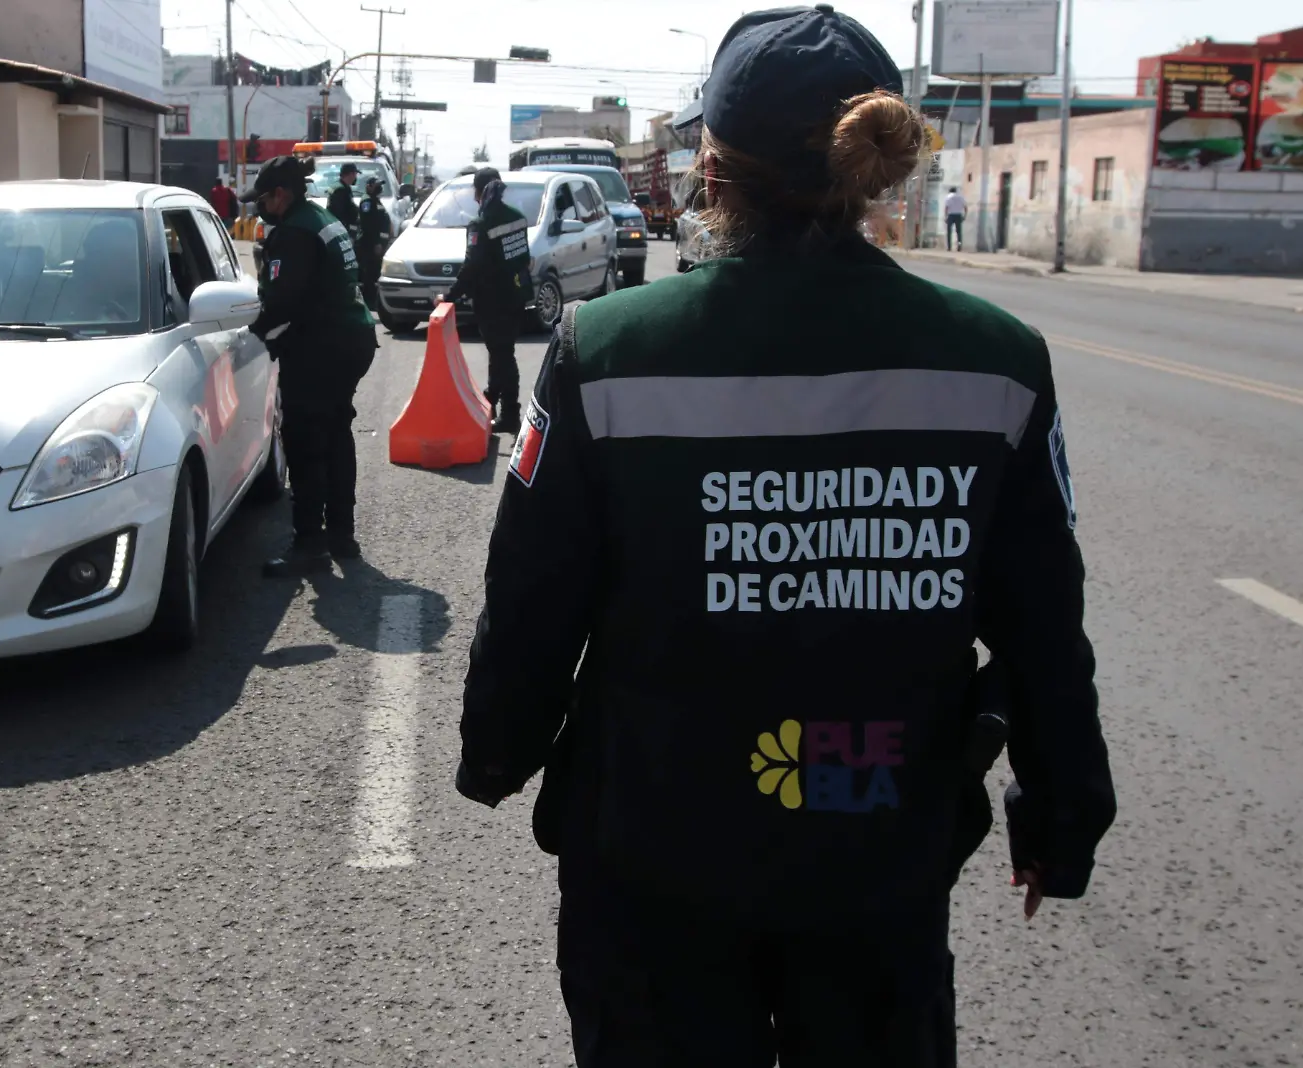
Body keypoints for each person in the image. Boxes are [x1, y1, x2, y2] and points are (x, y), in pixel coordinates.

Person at [455, 6, 1116, 1066]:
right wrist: (1063, 813)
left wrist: (497, 753)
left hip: (653, 858)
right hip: (880, 856)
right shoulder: (996, 359)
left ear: (712, 169)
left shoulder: (613, 348)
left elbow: (534, 597)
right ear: (872, 170)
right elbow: (1044, 623)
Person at [240, 156, 377, 577]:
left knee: (303, 442)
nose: (258, 208)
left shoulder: (294, 233)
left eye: (261, 199)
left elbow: (284, 301)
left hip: (323, 347)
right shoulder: (320, 217)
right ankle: (341, 536)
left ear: (281, 194)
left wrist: (253, 335)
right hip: (351, 338)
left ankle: (309, 545)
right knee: (335, 434)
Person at [444, 167, 532, 434]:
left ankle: (508, 413)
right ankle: (492, 403)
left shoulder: (481, 224)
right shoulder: (517, 218)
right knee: (502, 353)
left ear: (480, 192)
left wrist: (450, 297)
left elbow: (472, 267)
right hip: (516, 296)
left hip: (492, 301)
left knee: (503, 355)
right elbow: (522, 259)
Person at [356, 176, 392, 311]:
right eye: (376, 185)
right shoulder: (367, 201)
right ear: (369, 186)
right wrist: (377, 243)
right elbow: (368, 225)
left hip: (376, 244)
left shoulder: (374, 200)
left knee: (374, 272)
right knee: (369, 274)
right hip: (369, 244)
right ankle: (369, 302)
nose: (379, 187)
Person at [325, 161, 360, 237]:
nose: (355, 177)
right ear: (351, 174)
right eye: (355, 174)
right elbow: (339, 213)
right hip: (341, 230)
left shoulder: (342, 186)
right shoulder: (340, 190)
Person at [944, 186, 967, 251]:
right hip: (958, 215)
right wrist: (965, 215)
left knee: (949, 232)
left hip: (951, 215)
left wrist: (945, 216)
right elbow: (965, 207)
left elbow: (946, 207)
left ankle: (949, 247)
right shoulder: (961, 197)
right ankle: (959, 245)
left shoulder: (948, 197)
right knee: (959, 232)